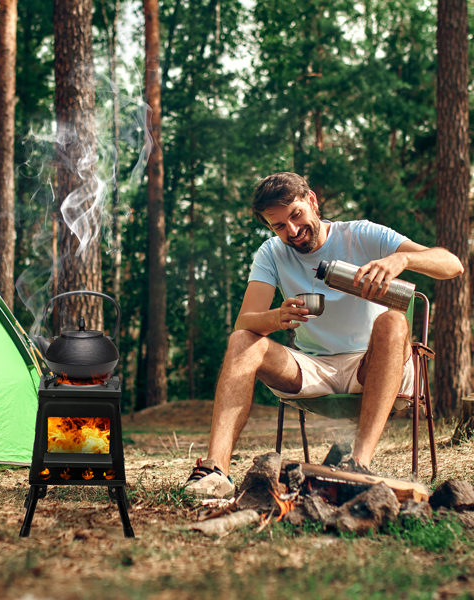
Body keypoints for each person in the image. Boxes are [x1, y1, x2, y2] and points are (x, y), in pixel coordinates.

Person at [185, 172, 463, 497]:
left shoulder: (362, 234)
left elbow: (453, 264)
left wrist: (401, 258)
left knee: (394, 322)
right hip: (312, 370)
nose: (291, 231)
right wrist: (276, 317)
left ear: (312, 201)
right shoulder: (272, 253)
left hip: (371, 365)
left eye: (296, 215)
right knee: (241, 341)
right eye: (278, 226)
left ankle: (357, 467)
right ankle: (215, 472)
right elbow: (245, 322)